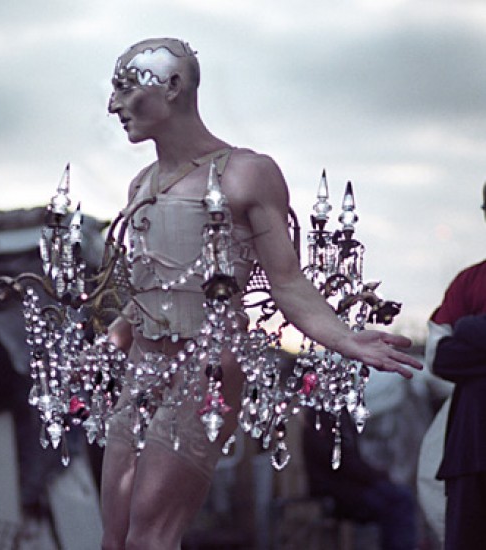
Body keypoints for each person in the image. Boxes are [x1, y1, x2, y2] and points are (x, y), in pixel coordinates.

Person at [100, 37, 421, 550]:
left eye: (124, 88)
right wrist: (107, 342)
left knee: (149, 536)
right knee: (114, 539)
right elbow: (146, 292)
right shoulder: (141, 183)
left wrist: (344, 339)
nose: (113, 105)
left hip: (207, 367)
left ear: (174, 86)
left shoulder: (246, 173)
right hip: (143, 368)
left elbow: (287, 281)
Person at [426, 182, 486, 549]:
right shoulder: (468, 281)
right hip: (470, 450)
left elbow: (455, 341)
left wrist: (468, 327)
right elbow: (439, 356)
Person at [303, 409, 416, 550]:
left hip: (349, 487)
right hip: (335, 491)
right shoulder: (323, 416)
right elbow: (341, 462)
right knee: (397, 501)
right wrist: (375, 475)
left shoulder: (339, 415)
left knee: (399, 495)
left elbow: (350, 459)